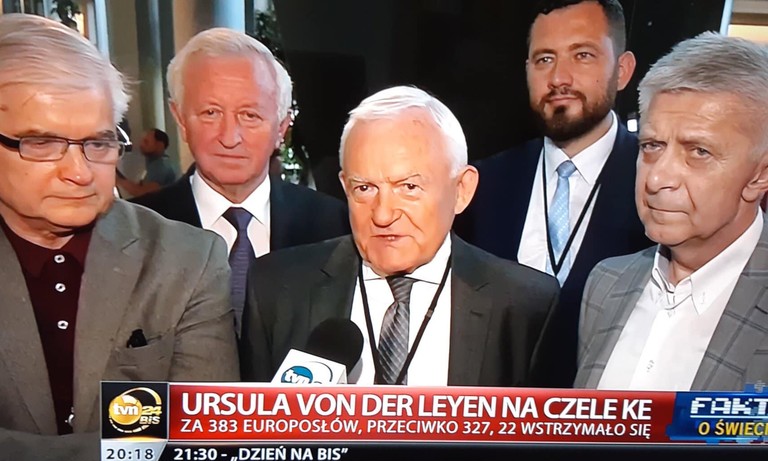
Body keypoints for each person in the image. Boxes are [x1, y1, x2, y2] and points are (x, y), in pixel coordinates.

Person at [0, 14, 238, 461]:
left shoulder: (188, 260)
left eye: (98, 143)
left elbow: (200, 443)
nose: (78, 172)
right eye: (42, 143)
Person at [240, 86, 560, 386]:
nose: (382, 215)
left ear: (462, 190)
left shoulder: (524, 307)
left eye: (409, 187)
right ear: (344, 187)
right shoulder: (277, 290)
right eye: (365, 188)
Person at [454, 0, 652, 387]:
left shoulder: (656, 185)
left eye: (582, 55)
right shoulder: (482, 184)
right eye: (544, 59)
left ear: (623, 70)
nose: (559, 77)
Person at [575, 32, 768, 391]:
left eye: (698, 152)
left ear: (761, 174)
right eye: (652, 146)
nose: (657, 178)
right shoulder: (605, 284)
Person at [132, 28, 350, 334]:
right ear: (180, 120)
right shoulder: (135, 232)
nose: (230, 137)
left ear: (281, 128)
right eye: (210, 113)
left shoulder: (335, 225)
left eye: (250, 116)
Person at [116, 128, 178, 197]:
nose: (141, 144)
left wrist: (118, 180)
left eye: (146, 142)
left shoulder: (161, 166)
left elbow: (144, 193)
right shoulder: (153, 163)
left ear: (159, 145)